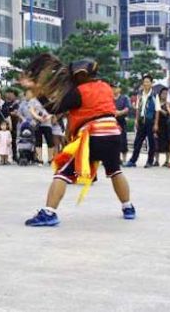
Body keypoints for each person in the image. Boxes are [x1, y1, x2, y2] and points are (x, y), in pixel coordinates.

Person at [22, 54, 135, 227]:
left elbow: (54, 108)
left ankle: (49, 213)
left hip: (94, 136)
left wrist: (37, 91)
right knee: (115, 170)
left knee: (62, 173)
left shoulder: (80, 92)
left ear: (81, 75)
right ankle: (128, 208)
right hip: (113, 134)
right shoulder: (105, 87)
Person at [125, 74, 160, 168]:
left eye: (148, 82)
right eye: (144, 82)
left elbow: (157, 110)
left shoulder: (155, 95)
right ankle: (133, 161)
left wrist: (156, 123)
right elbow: (137, 108)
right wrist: (136, 120)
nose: (146, 84)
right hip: (141, 121)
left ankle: (149, 161)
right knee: (138, 141)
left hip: (150, 121)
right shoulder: (140, 94)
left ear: (151, 83)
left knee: (151, 142)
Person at [28, 92, 54, 166]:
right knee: (38, 141)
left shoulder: (48, 100)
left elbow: (52, 111)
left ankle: (50, 159)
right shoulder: (33, 100)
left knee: (50, 141)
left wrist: (48, 117)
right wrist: (38, 117)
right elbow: (31, 110)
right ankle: (40, 159)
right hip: (37, 123)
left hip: (47, 123)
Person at [112, 83, 131, 164]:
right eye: (112, 88)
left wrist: (120, 112)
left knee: (123, 140)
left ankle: (124, 159)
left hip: (121, 121)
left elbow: (127, 108)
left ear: (119, 89)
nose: (114, 89)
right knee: (112, 140)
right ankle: (116, 158)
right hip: (112, 122)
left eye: (115, 87)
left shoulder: (124, 98)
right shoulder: (109, 98)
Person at [1, 88, 21, 160]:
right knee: (3, 140)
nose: (9, 94)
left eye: (11, 93)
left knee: (13, 140)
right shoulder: (3, 103)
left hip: (14, 124)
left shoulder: (16, 103)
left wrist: (8, 113)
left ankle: (14, 155)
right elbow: (2, 112)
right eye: (8, 92)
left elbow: (16, 113)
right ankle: (3, 156)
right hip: (4, 125)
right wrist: (10, 113)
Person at [155, 87, 170, 167]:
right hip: (157, 125)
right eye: (163, 93)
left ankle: (167, 161)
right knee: (156, 143)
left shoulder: (169, 104)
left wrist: (159, 109)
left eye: (166, 93)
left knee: (167, 143)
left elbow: (167, 114)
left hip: (166, 126)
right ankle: (156, 160)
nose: (164, 95)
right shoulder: (156, 102)